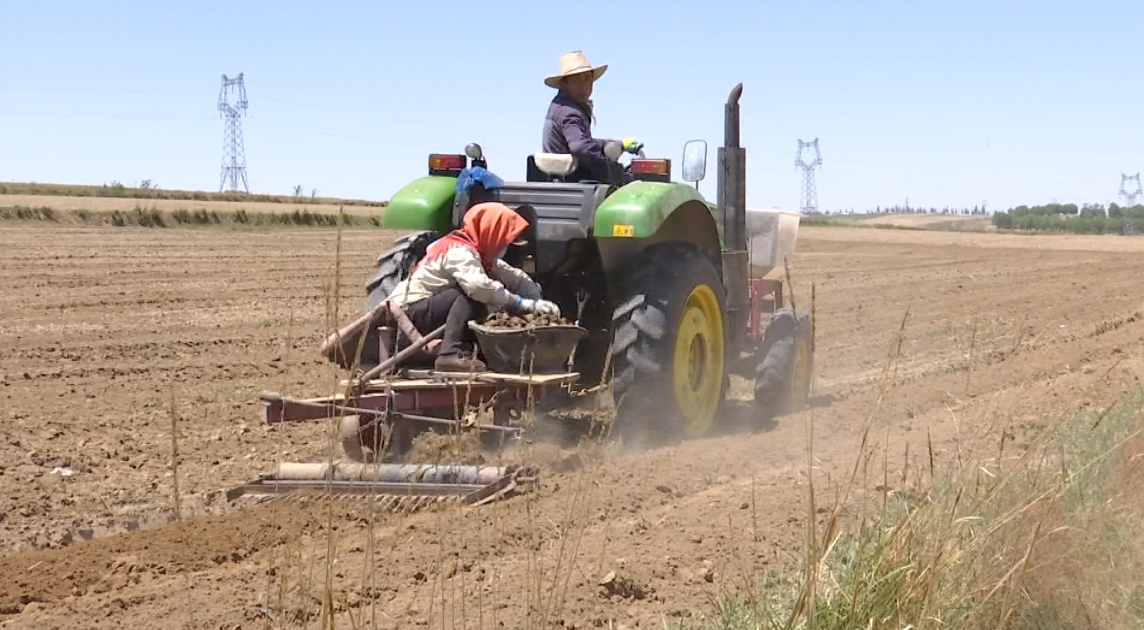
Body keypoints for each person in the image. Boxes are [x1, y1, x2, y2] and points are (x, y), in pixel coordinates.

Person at [384, 202, 561, 373]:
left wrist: (537, 300)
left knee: (484, 296)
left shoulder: (477, 255)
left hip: (420, 315)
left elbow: (515, 277)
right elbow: (478, 286)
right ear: (490, 233)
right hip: (406, 317)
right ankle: (449, 353)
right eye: (502, 242)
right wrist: (521, 304)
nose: (504, 248)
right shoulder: (458, 250)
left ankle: (465, 350)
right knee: (472, 294)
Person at [541, 50, 644, 183]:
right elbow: (580, 147)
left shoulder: (561, 106)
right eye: (576, 80)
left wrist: (615, 144)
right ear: (564, 84)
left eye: (587, 79)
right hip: (572, 180)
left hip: (562, 181)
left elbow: (582, 141)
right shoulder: (569, 112)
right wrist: (609, 169)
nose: (583, 86)